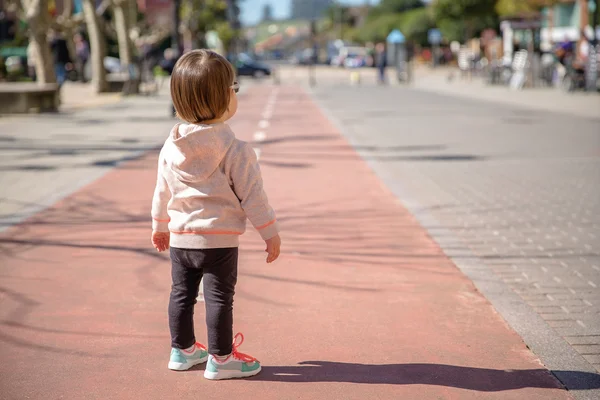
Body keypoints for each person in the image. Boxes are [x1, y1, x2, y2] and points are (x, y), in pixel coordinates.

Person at [150, 49, 281, 380]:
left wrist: (160, 225)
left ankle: (182, 350)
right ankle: (221, 358)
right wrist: (270, 231)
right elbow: (253, 196)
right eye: (233, 88)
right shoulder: (236, 150)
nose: (235, 93)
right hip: (219, 239)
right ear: (225, 99)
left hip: (181, 238)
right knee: (219, 298)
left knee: (182, 294)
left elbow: (161, 191)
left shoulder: (170, 147)